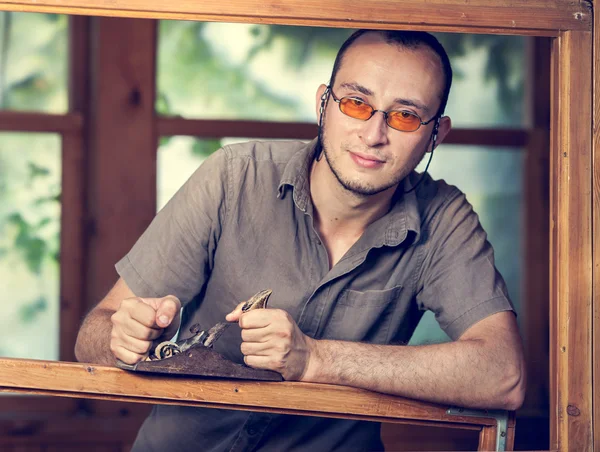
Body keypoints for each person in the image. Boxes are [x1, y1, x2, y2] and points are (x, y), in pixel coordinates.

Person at [74, 29, 526, 452]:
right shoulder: (233, 176)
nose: (373, 135)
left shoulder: (444, 217)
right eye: (355, 103)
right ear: (323, 104)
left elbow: (503, 375)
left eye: (406, 116)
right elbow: (90, 338)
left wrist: (317, 359)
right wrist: (122, 336)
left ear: (435, 135)